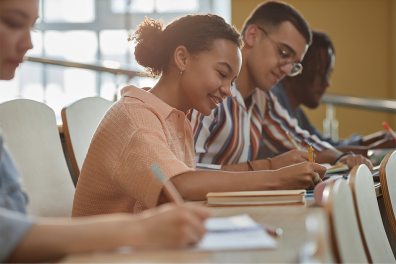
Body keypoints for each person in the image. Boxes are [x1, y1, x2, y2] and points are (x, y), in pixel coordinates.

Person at [0, 0, 210, 262]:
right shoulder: (135, 116)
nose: (30, 44)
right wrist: (139, 230)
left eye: (32, 27)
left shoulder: (179, 118)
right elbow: (7, 234)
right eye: (12, 23)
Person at [72, 12, 328, 217]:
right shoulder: (136, 119)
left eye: (232, 80)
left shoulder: (179, 118)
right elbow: (177, 187)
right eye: (221, 74)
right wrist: (276, 177)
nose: (228, 91)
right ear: (182, 58)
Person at [190, 1, 373, 171]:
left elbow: (300, 139)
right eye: (283, 53)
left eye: (294, 64)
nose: (286, 69)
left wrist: (342, 157)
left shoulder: (262, 97)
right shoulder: (212, 89)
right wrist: (269, 167)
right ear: (252, 35)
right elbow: (184, 174)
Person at [258, 30, 393, 159]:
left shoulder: (294, 110)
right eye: (321, 73)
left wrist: (372, 141)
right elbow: (305, 151)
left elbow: (318, 143)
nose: (327, 83)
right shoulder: (272, 99)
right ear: (299, 67)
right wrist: (371, 151)